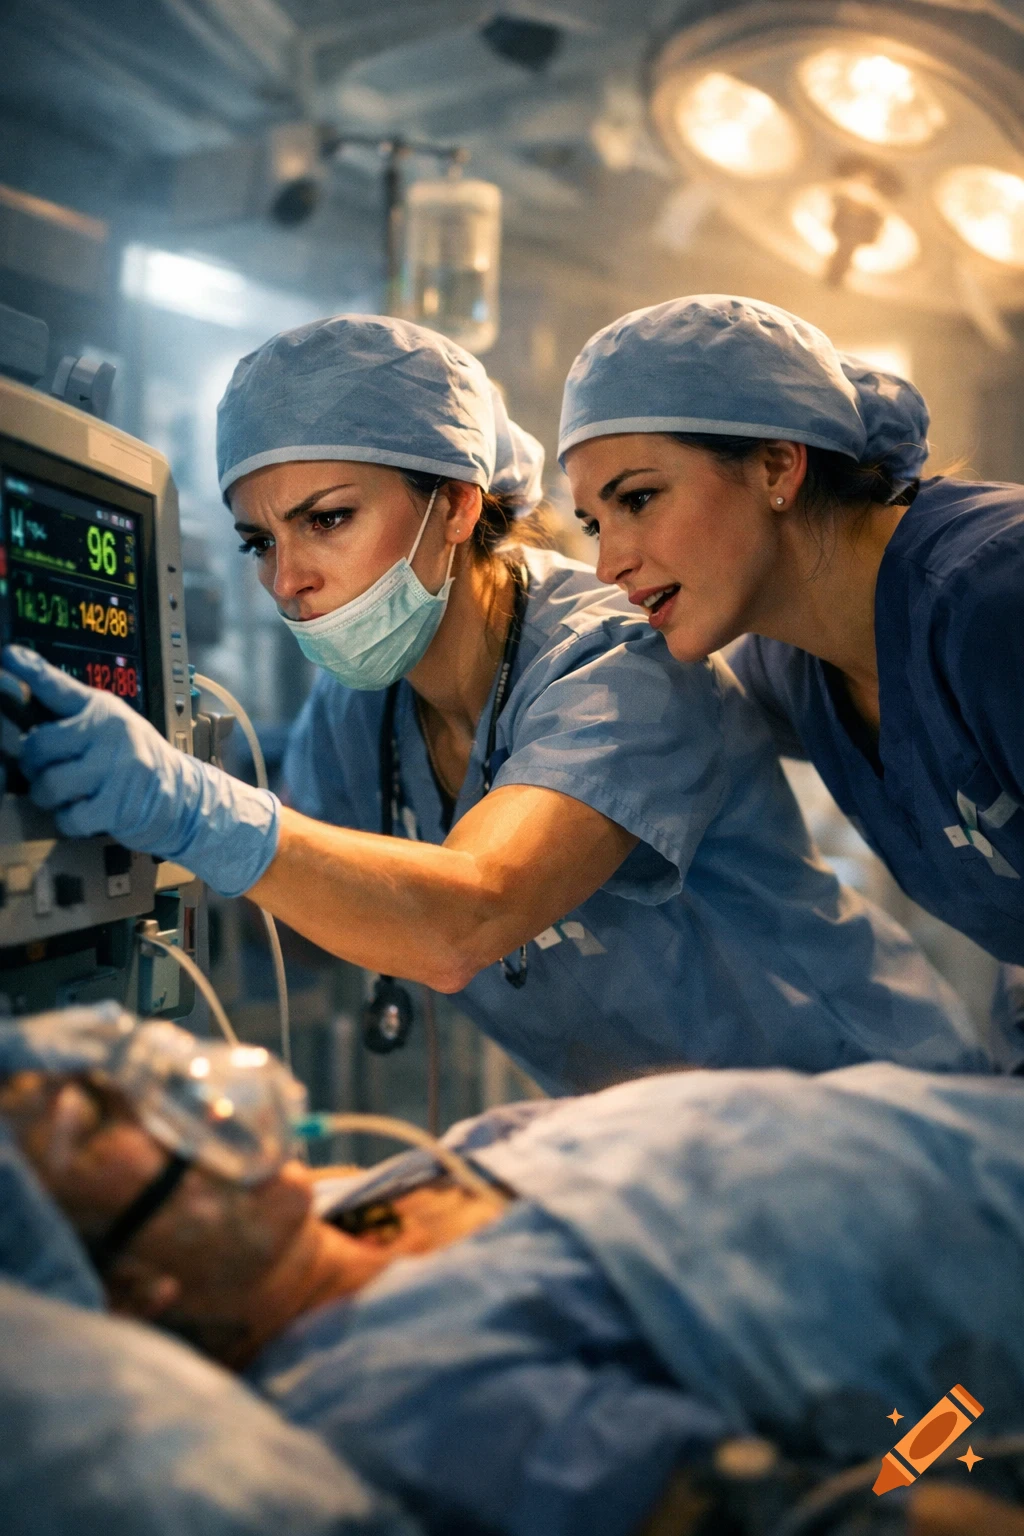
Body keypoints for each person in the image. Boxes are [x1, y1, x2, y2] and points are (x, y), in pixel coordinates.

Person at [2, 316, 988, 1090]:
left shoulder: (619, 660)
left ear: (457, 505)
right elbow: (303, 909)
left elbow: (464, 919)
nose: (289, 580)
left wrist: (183, 806)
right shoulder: (365, 709)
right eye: (260, 541)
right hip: (668, 1164)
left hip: (872, 1115)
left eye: (328, 519)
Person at [4, 1007, 1024, 1536]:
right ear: (128, 1293)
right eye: (94, 1114)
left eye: (117, 1057)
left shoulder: (336, 1210)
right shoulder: (409, 1402)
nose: (153, 1088)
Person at [559, 293, 1024, 1069]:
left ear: (778, 464)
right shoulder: (792, 670)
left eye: (639, 499)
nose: (610, 565)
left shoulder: (995, 599)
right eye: (594, 525)